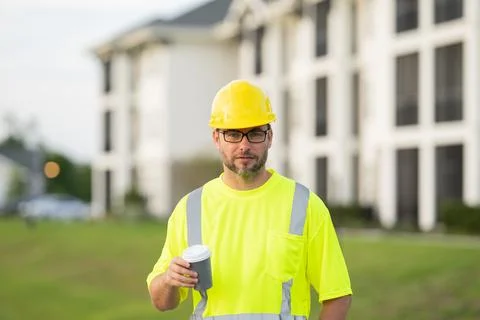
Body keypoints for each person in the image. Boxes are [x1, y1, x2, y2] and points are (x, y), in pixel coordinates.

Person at [146, 79, 352, 320]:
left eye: (254, 133)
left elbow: (337, 296)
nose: (244, 145)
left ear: (270, 137)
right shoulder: (191, 209)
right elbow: (161, 301)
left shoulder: (305, 205)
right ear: (216, 138)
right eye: (233, 134)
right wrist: (170, 281)